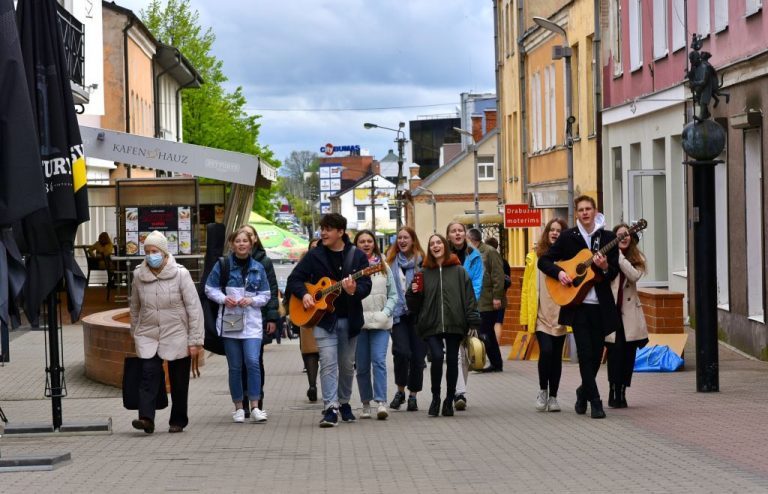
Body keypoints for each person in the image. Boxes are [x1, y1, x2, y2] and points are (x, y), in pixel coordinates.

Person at [538, 196, 620, 419]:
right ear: (576, 213)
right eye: (581, 210)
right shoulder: (568, 237)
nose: (585, 213)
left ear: (595, 211)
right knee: (584, 354)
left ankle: (583, 392)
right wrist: (560, 273)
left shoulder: (608, 238)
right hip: (578, 306)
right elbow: (543, 261)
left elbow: (613, 273)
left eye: (588, 209)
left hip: (600, 307)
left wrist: (603, 268)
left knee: (595, 357)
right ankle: (596, 401)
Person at [286, 213, 371, 428]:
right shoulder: (314, 256)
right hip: (324, 320)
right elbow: (294, 279)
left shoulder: (357, 256)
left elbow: (366, 285)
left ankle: (344, 402)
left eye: (328, 229)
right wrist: (305, 294)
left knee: (346, 365)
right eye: (322, 228)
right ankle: (330, 407)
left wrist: (353, 291)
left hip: (349, 319)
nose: (323, 233)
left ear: (340, 232)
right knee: (329, 364)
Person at [129, 230, 204, 434]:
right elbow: (135, 307)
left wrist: (195, 340)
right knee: (148, 375)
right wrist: (134, 332)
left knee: (179, 380)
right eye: (147, 251)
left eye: (155, 251)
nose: (151, 255)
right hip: (148, 333)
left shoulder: (181, 274)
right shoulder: (138, 275)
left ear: (163, 252)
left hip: (177, 332)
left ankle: (178, 420)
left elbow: (194, 308)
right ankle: (146, 418)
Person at [406, 234, 480, 417]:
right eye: (432, 243)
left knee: (453, 361)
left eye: (439, 243)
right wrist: (414, 293)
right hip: (431, 322)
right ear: (429, 248)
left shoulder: (459, 271)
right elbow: (412, 304)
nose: (435, 246)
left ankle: (448, 399)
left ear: (445, 247)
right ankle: (435, 397)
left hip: (455, 321)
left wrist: (473, 320)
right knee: (437, 357)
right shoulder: (423, 272)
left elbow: (469, 297)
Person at [205, 229, 272, 423]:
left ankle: (255, 406)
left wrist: (251, 300)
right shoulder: (223, 265)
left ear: (251, 244)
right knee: (235, 366)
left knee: (252, 362)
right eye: (238, 241)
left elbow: (266, 295)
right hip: (230, 321)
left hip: (252, 323)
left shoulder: (258, 267)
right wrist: (224, 298)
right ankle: (238, 407)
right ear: (232, 244)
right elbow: (210, 288)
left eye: (245, 241)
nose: (242, 244)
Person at [521, 218, 569, 412]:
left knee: (556, 356)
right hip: (540, 314)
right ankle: (543, 390)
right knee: (546, 351)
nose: (555, 233)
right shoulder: (535, 257)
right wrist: (525, 318)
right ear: (546, 232)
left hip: (561, 314)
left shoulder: (568, 258)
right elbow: (526, 289)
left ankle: (554, 397)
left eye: (559, 230)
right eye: (552, 230)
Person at [353, 230, 397, 420]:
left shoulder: (383, 266)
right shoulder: (350, 267)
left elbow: (394, 295)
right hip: (359, 323)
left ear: (374, 244)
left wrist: (385, 313)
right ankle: (365, 403)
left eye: (369, 241)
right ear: (356, 245)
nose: (366, 244)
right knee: (362, 366)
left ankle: (381, 402)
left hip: (380, 323)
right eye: (362, 241)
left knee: (379, 361)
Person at [606, 223, 649, 408]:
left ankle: (623, 391)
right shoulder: (607, 256)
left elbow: (634, 275)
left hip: (630, 313)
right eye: (620, 235)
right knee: (615, 353)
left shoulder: (635, 257)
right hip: (612, 312)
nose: (624, 237)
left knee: (628, 355)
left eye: (627, 235)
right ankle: (612, 390)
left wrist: (620, 256)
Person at [385, 226, 426, 411]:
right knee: (401, 352)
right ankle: (400, 391)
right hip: (398, 315)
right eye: (399, 238)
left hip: (419, 316)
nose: (402, 241)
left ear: (413, 240)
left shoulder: (423, 262)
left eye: (406, 238)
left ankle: (413, 395)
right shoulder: (390, 262)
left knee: (418, 357)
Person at [239, 224, 279, 414]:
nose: (245, 239)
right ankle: (243, 399)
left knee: (254, 360)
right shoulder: (231, 261)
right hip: (236, 317)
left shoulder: (264, 261)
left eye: (249, 235)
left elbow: (271, 290)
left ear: (254, 238)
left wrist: (272, 317)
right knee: (239, 362)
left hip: (258, 318)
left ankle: (256, 397)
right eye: (241, 235)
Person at [446, 221, 483, 410]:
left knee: (466, 353)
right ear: (449, 235)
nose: (458, 234)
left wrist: (469, 305)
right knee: (456, 352)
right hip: (447, 310)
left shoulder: (474, 256)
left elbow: (477, 284)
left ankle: (459, 390)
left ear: (465, 234)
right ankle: (459, 392)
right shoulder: (443, 254)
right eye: (454, 231)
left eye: (460, 230)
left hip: (468, 309)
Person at [467, 228, 506, 372]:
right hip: (477, 300)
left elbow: (498, 275)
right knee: (485, 331)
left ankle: (495, 363)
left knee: (486, 331)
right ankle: (492, 362)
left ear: (472, 239)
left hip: (489, 300)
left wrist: (497, 296)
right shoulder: (470, 254)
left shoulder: (489, 252)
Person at [289, 237, 321, 402]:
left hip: (326, 310)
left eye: (318, 246)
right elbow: (293, 284)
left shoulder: (328, 263)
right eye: (312, 247)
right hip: (307, 310)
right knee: (310, 350)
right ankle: (312, 385)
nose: (316, 249)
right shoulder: (304, 266)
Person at [484, 237, 511, 342]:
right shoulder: (504, 262)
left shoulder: (484, 260)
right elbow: (508, 281)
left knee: (486, 323)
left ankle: (487, 348)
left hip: (486, 296)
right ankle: (496, 347)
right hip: (500, 295)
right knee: (498, 322)